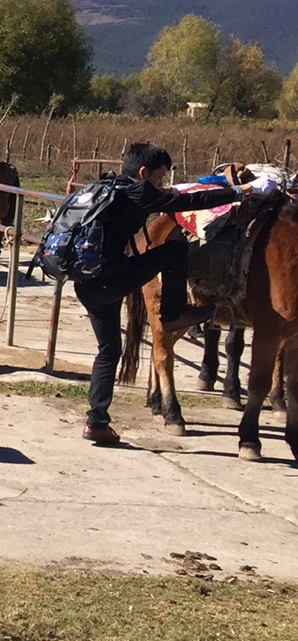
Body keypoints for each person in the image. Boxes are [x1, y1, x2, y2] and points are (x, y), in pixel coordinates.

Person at [72, 141, 239, 445]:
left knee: (109, 352)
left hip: (87, 283)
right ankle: (174, 313)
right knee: (175, 249)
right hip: (111, 281)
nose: (161, 184)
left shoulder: (106, 186)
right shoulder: (140, 193)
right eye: (160, 178)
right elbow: (189, 203)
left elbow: (170, 195)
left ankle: (96, 423)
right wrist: (238, 193)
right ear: (143, 172)